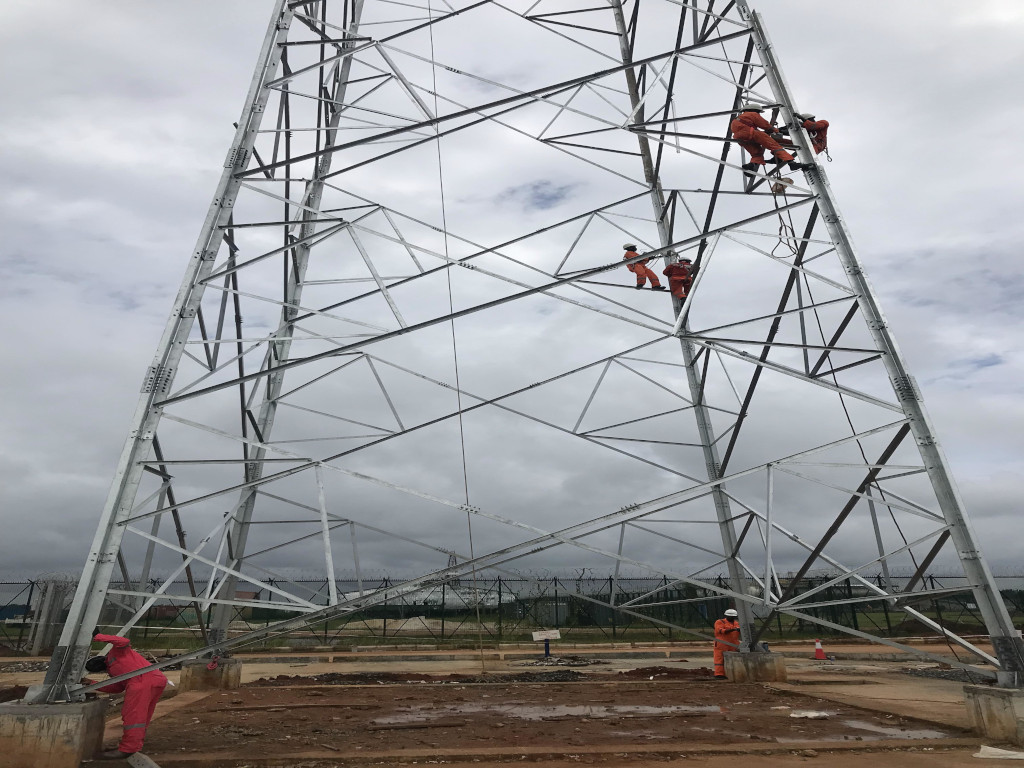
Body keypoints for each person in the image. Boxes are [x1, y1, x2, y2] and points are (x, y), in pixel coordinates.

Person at [84, 633, 168, 758]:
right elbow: (117, 688)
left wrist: (97, 636)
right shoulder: (113, 668)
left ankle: (127, 749)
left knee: (133, 715)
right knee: (142, 716)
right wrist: (92, 684)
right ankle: (134, 745)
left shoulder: (116, 653)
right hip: (155, 680)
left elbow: (123, 641)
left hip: (141, 682)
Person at [730, 104, 811, 174]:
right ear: (753, 110)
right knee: (775, 146)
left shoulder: (736, 120)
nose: (758, 114)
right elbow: (765, 125)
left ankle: (752, 165)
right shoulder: (752, 114)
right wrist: (775, 130)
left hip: (740, 139)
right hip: (751, 134)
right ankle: (791, 163)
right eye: (758, 112)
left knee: (756, 153)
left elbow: (745, 129)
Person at [713, 608, 741, 679]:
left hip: (733, 644)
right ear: (726, 616)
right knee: (720, 658)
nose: (732, 618)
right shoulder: (720, 622)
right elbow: (721, 631)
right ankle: (719, 674)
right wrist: (733, 629)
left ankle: (730, 673)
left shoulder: (736, 623)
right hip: (722, 643)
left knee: (732, 658)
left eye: (733, 617)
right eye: (730, 616)